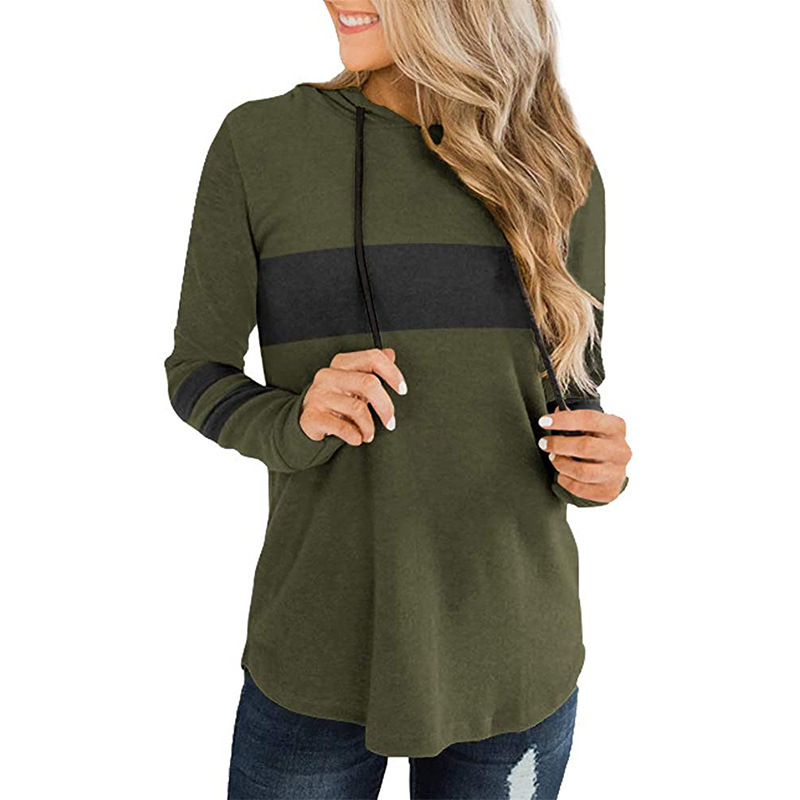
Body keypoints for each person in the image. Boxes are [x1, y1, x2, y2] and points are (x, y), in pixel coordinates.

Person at [163, 1, 632, 797]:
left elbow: (573, 394)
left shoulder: (558, 166)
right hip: (317, 646)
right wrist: (294, 420)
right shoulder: (260, 144)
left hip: (514, 658)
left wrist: (599, 470)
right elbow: (195, 371)